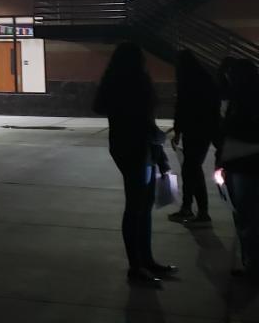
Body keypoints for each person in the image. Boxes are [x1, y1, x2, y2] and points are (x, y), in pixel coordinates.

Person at [93, 42, 177, 287]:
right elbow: (141, 119)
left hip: (136, 148)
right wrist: (156, 138)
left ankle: (145, 260)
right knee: (136, 206)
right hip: (134, 149)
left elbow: (104, 108)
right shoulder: (132, 84)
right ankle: (136, 265)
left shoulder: (117, 82)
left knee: (143, 204)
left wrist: (159, 153)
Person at [215, 58, 259, 283]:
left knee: (250, 217)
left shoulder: (254, 104)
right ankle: (251, 263)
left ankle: (257, 268)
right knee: (243, 216)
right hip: (236, 163)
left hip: (247, 165)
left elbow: (255, 133)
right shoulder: (238, 101)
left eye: (233, 75)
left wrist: (227, 130)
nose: (229, 79)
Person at [169, 49, 221, 225]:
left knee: (191, 169)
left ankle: (198, 211)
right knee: (192, 169)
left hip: (193, 131)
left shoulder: (187, 82)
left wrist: (178, 131)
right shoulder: (206, 80)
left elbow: (181, 107)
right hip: (204, 131)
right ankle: (191, 208)